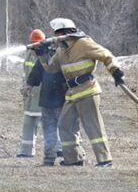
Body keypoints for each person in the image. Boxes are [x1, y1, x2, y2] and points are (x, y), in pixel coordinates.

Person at [32, 18, 125, 167]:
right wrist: (42, 54)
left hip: (88, 90)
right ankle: (73, 159)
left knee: (93, 126)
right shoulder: (61, 51)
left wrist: (116, 72)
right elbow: (51, 68)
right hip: (72, 93)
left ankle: (105, 160)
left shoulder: (84, 43)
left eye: (58, 33)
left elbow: (106, 55)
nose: (56, 37)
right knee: (64, 125)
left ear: (66, 33)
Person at [26, 38, 69, 166]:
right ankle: (49, 158)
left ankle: (72, 157)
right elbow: (36, 72)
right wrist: (29, 85)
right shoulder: (44, 58)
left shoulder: (65, 55)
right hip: (46, 100)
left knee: (66, 130)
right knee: (49, 130)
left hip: (62, 99)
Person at [18, 29, 45, 158]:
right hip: (30, 96)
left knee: (49, 126)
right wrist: (24, 87)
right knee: (28, 124)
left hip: (43, 97)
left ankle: (57, 151)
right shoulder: (29, 54)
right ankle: (26, 151)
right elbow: (25, 73)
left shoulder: (47, 54)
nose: (35, 46)